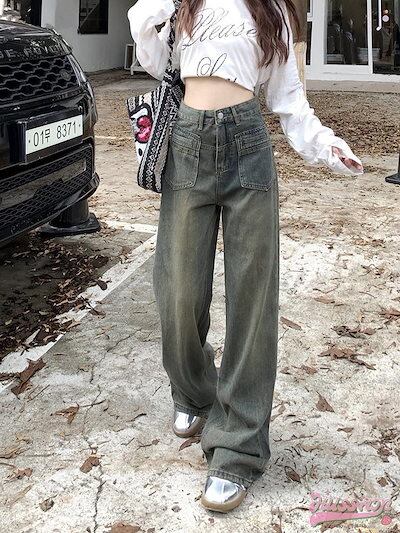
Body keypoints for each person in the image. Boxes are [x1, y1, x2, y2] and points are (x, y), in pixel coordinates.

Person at [127, 0, 363, 513]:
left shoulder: (269, 10)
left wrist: (324, 145)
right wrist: (153, 9)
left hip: (247, 144)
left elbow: (289, 99)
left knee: (252, 297)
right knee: (176, 291)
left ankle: (238, 448)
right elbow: (154, 59)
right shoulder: (184, 4)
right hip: (187, 141)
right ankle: (195, 392)